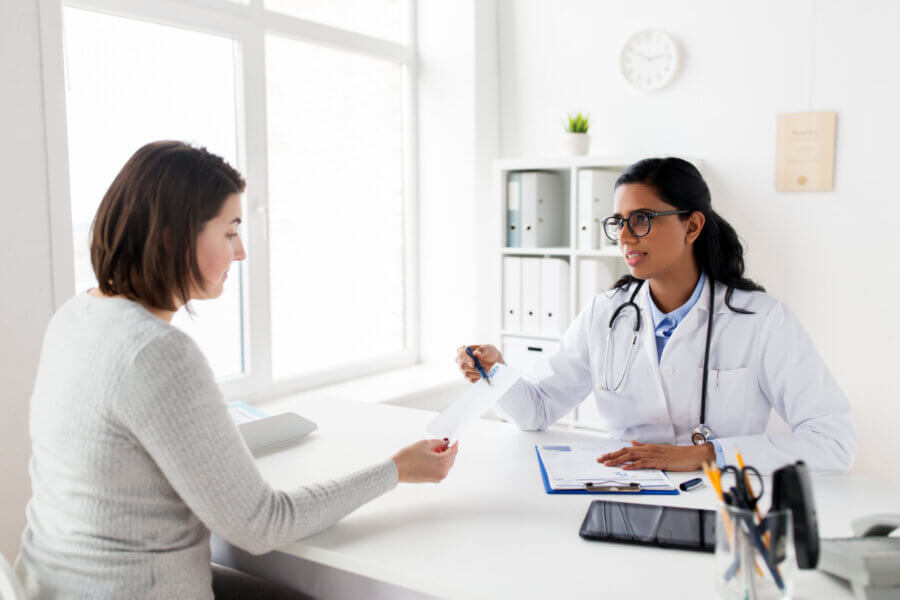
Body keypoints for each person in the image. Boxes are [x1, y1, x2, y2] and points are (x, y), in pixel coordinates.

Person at [16, 141, 458, 599]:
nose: (241, 251)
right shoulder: (157, 352)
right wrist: (397, 469)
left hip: (54, 583)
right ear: (172, 238)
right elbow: (262, 524)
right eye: (230, 232)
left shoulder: (76, 315)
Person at [457, 157, 856, 474]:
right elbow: (539, 410)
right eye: (618, 222)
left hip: (720, 501)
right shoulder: (605, 314)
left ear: (692, 225)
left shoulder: (762, 319)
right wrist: (497, 373)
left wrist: (705, 456)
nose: (626, 236)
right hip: (624, 492)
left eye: (642, 219)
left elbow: (833, 442)